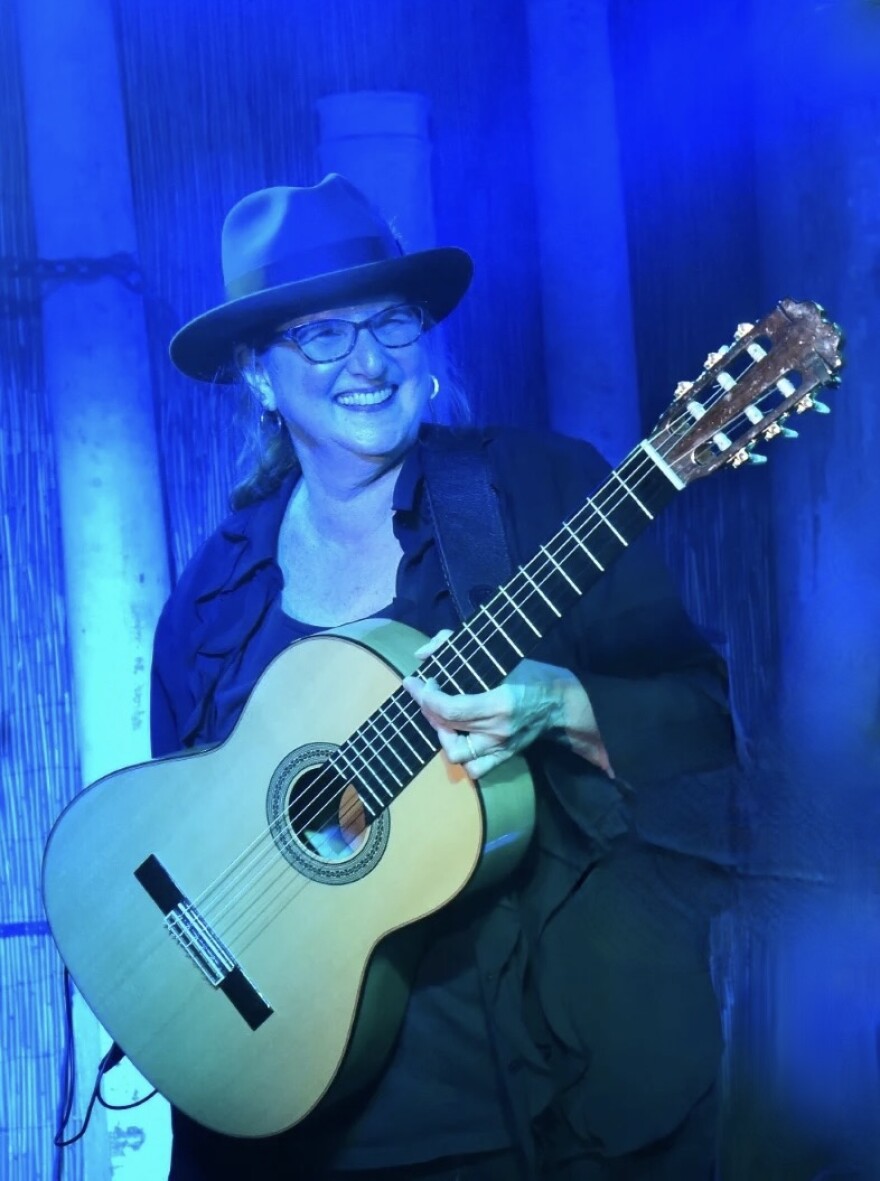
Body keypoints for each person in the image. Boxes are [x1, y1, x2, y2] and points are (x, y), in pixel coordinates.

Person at [153, 173, 739, 1179]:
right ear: (256, 375)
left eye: (390, 322)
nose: (368, 361)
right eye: (322, 336)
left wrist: (562, 705)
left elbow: (707, 725)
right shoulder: (213, 600)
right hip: (287, 1127)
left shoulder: (541, 494)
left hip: (533, 1105)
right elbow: (178, 849)